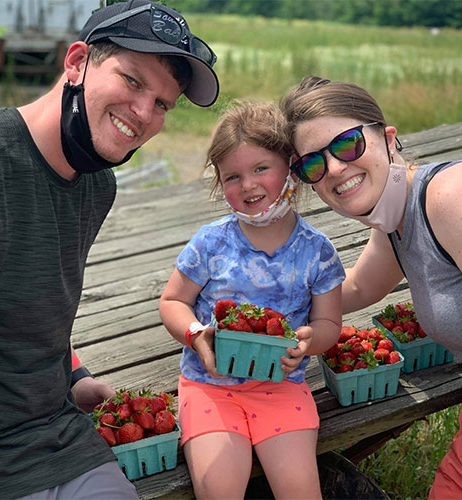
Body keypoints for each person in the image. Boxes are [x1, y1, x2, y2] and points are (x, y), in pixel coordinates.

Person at [0, 1, 219, 498]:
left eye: (162, 103)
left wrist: (73, 373)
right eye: (133, 81)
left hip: (56, 436)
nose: (144, 113)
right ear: (76, 63)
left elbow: (28, 307)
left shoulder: (97, 186)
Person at [281, 75, 462, 500]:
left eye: (346, 145)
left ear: (388, 138)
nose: (335, 168)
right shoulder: (397, 220)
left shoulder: (453, 195)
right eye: (312, 164)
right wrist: (260, 306)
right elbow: (357, 288)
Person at [159, 100, 344, 499]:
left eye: (261, 168)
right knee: (219, 488)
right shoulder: (211, 243)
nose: (248, 185)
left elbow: (329, 322)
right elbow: (173, 301)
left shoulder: (317, 251)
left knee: (300, 491)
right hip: (209, 385)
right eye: (232, 176)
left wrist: (310, 342)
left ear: (291, 166)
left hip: (282, 385)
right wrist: (195, 334)